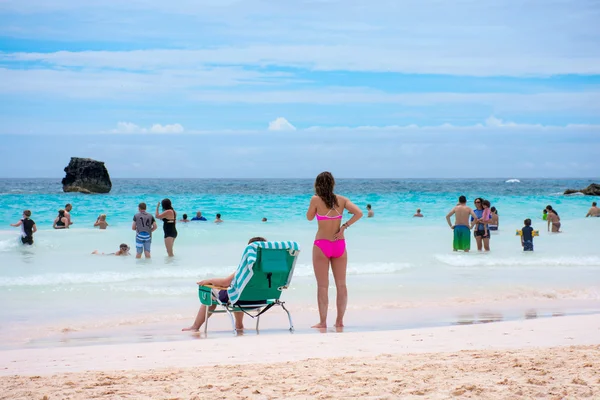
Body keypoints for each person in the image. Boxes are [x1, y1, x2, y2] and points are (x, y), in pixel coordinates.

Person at [307, 171, 363, 329]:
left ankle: (323, 322)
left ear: (317, 185)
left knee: (323, 286)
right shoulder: (343, 200)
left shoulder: (315, 199)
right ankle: (339, 321)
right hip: (339, 244)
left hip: (321, 244)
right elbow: (359, 213)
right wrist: (344, 227)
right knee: (341, 285)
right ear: (332, 184)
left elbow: (309, 217)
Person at [182, 236, 267, 332]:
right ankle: (239, 325)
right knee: (238, 290)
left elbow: (225, 283)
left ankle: (195, 327)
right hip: (260, 300)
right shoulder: (271, 271)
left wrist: (208, 281)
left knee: (211, 292)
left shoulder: (245, 268)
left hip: (240, 300)